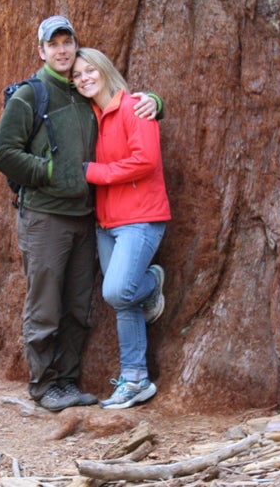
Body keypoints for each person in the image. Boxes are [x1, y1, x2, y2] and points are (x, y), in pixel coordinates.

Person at [0, 16, 162, 412]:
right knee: (45, 305)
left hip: (88, 217)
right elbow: (4, 153)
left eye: (68, 43)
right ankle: (44, 385)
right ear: (42, 51)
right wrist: (50, 172)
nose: (63, 51)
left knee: (78, 305)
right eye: (54, 45)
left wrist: (154, 101)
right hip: (45, 218)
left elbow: (120, 106)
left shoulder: (81, 91)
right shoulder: (31, 96)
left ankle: (67, 381)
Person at [71, 47, 171, 409]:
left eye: (89, 70)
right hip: (105, 223)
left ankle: (152, 282)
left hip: (141, 219)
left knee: (118, 291)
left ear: (104, 69)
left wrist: (92, 172)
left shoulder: (134, 107)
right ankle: (135, 379)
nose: (84, 78)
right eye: (77, 75)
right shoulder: (89, 116)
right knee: (124, 303)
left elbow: (146, 161)